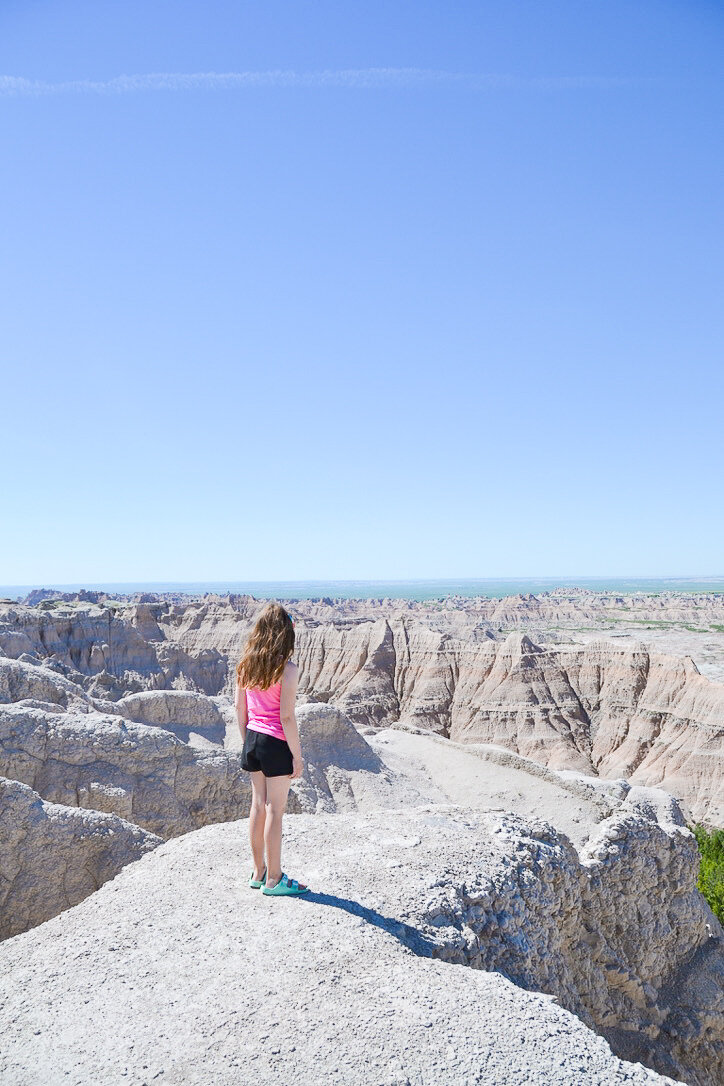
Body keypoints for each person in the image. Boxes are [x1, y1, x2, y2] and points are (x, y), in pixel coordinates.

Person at [234, 601, 309, 896]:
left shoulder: (245, 665)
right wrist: (297, 756)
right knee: (275, 810)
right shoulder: (287, 670)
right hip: (276, 742)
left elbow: (239, 707)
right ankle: (275, 880)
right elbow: (287, 716)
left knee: (257, 805)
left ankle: (258, 872)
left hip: (252, 738)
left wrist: (248, 740)